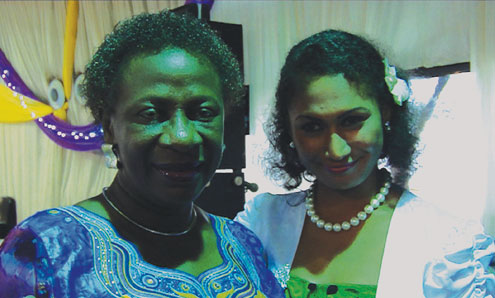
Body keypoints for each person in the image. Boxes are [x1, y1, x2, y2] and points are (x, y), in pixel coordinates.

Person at [0, 10, 284, 298]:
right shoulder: (43, 249)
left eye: (203, 112)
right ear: (109, 127)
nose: (183, 137)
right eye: (151, 113)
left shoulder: (245, 245)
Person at [235, 29, 495, 297]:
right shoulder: (261, 223)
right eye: (312, 127)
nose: (336, 150)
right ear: (289, 130)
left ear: (386, 111)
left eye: (351, 121)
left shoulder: (447, 248)